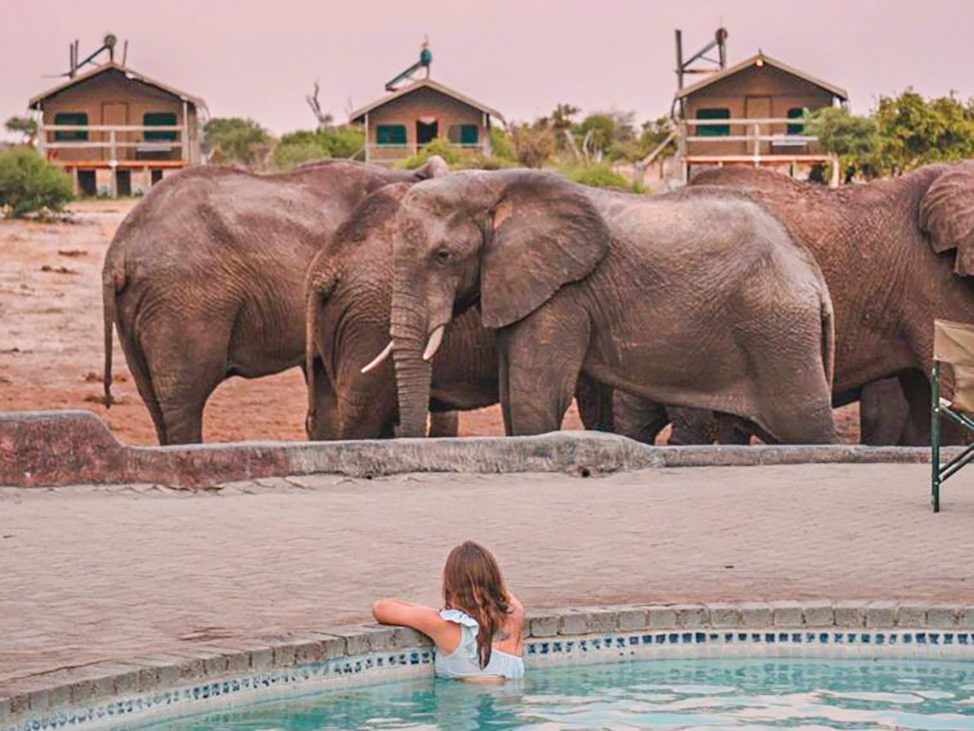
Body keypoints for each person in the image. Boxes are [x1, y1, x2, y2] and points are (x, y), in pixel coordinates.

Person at [372, 541, 525, 682]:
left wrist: (429, 612)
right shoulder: (516, 615)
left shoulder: (444, 625)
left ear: (450, 583)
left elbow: (381, 608)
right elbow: (501, 594)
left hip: (462, 706)